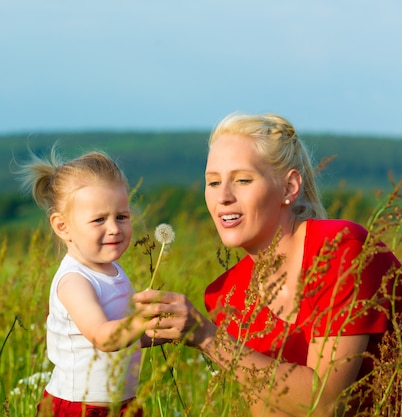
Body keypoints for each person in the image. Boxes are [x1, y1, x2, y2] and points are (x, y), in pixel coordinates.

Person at [134, 113, 401, 416]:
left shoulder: (340, 250)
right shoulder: (226, 296)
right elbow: (272, 408)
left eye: (243, 180)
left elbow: (325, 404)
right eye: (213, 182)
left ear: (289, 188)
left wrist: (208, 337)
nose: (223, 197)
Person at [18, 148, 161, 417]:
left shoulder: (114, 271)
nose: (114, 228)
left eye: (122, 216)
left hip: (121, 405)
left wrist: (162, 329)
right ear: (63, 227)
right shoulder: (74, 281)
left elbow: (126, 337)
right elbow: (103, 336)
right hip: (78, 407)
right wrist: (143, 318)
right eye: (99, 220)